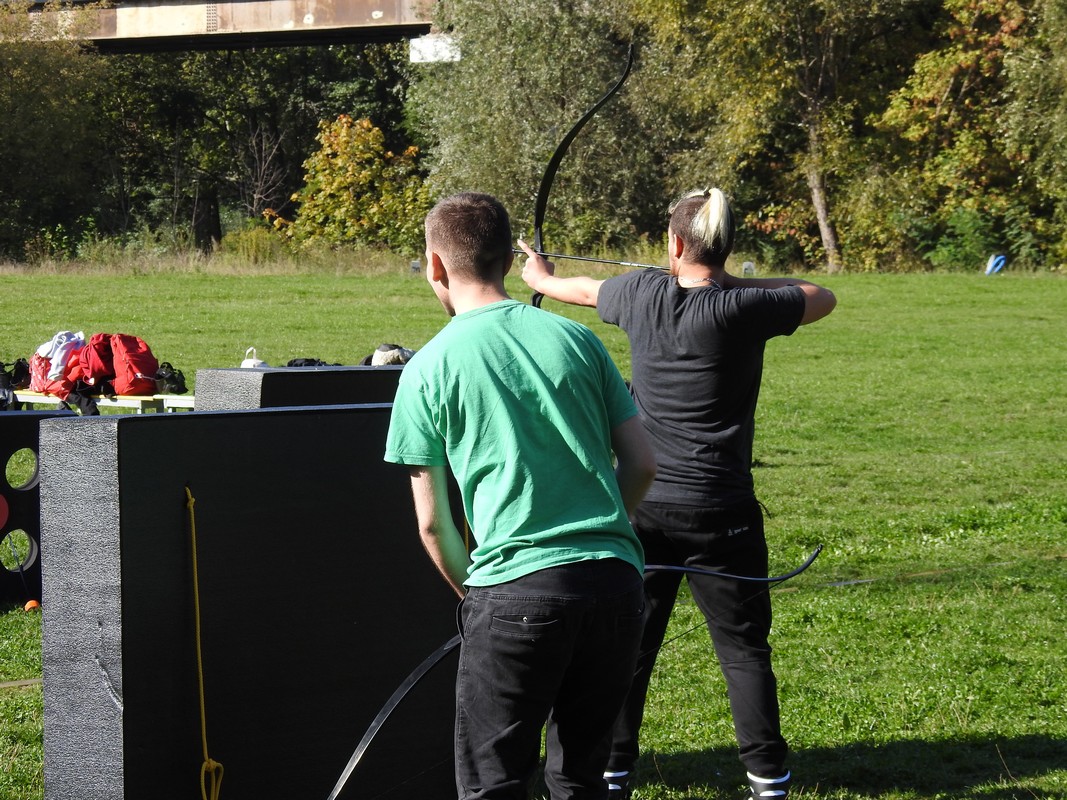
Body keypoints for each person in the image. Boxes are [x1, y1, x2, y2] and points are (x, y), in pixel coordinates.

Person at [518, 187, 837, 800]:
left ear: (674, 242)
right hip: (723, 511)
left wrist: (540, 277)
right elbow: (819, 295)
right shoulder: (745, 308)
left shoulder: (641, 292)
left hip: (646, 505)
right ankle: (768, 779)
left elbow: (582, 291)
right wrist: (733, 281)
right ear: (726, 246)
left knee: (629, 648)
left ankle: (613, 772)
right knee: (743, 650)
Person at [384, 192, 657, 800]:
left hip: (514, 593)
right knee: (582, 780)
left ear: (434, 265)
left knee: (494, 784)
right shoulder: (578, 340)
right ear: (511, 260)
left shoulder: (426, 368)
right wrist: (603, 529)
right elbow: (642, 463)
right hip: (615, 587)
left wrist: (480, 595)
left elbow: (433, 525)